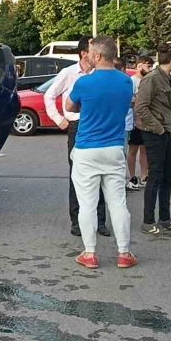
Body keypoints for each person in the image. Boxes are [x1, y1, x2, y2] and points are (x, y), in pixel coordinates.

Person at [65, 36, 138, 269]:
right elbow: (130, 103)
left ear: (96, 55)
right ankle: (124, 253)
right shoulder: (125, 82)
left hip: (87, 149)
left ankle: (90, 253)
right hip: (115, 148)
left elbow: (69, 106)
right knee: (117, 202)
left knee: (87, 204)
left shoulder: (84, 83)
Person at [44, 36, 110, 238]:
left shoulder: (101, 73)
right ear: (84, 53)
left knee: (100, 174)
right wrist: (59, 120)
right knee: (77, 175)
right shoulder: (69, 73)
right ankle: (77, 220)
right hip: (77, 126)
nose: (96, 53)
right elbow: (49, 95)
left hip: (98, 125)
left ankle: (100, 221)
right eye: (93, 49)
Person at [135, 44, 171, 236]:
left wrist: (168, 130)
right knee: (155, 176)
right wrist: (157, 128)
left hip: (165, 131)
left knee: (168, 175)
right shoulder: (152, 79)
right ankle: (148, 220)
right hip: (154, 132)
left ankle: (164, 218)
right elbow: (141, 107)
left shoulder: (167, 78)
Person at [127, 56, 153, 190]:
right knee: (133, 149)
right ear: (139, 66)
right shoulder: (132, 81)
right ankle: (132, 176)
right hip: (134, 121)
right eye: (148, 66)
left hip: (147, 121)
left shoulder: (149, 80)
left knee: (145, 149)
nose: (150, 69)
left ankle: (144, 175)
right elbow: (130, 101)